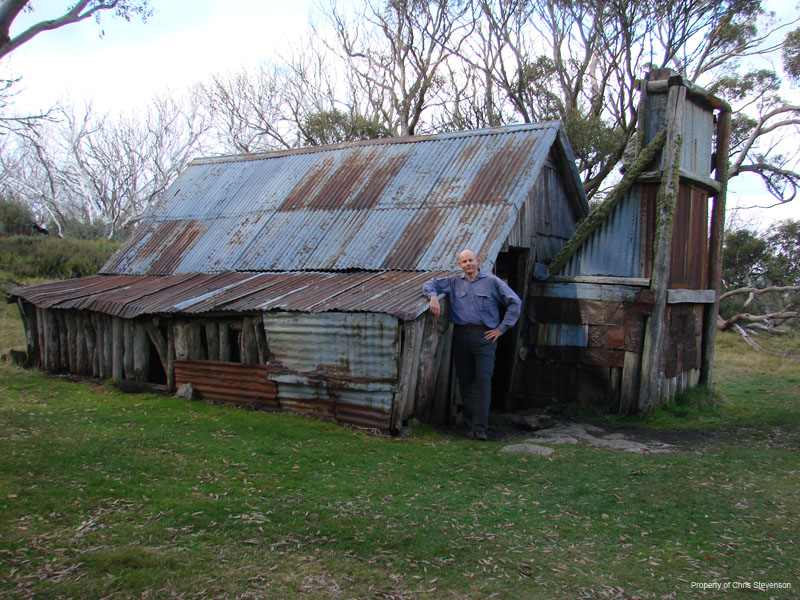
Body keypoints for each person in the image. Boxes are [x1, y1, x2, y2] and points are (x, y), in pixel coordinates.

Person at [422, 249, 521, 440]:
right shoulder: (453, 281)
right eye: (464, 262)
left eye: (470, 260)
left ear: (477, 261)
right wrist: (433, 297)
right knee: (465, 382)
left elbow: (515, 302)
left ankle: (481, 428)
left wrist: (501, 329)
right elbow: (430, 283)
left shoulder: (492, 282)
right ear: (459, 265)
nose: (468, 264)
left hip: (486, 337)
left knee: (483, 381)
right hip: (461, 335)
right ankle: (469, 426)